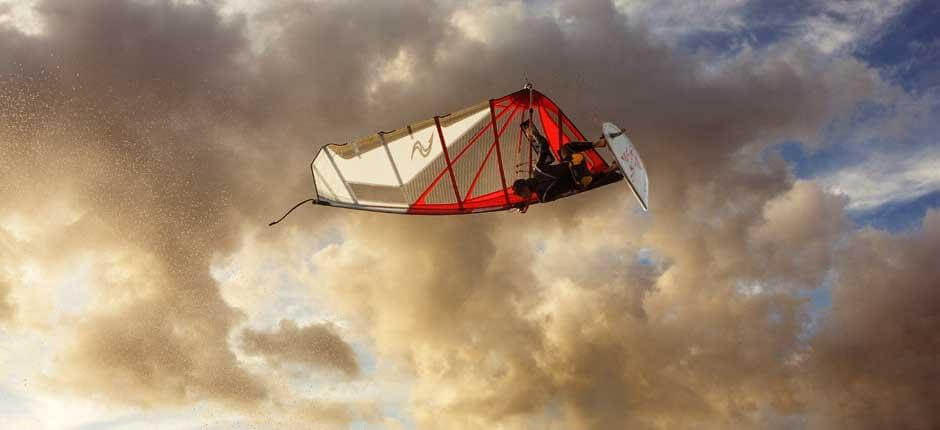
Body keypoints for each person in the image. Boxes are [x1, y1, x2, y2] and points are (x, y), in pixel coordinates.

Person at [513, 119, 622, 205]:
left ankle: (612, 168)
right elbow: (544, 146)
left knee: (581, 183)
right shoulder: (538, 170)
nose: (524, 197)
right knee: (565, 149)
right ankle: (598, 143)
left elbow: (565, 192)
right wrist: (534, 135)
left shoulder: (543, 198)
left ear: (525, 188)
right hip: (575, 163)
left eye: (522, 194)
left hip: (581, 179)